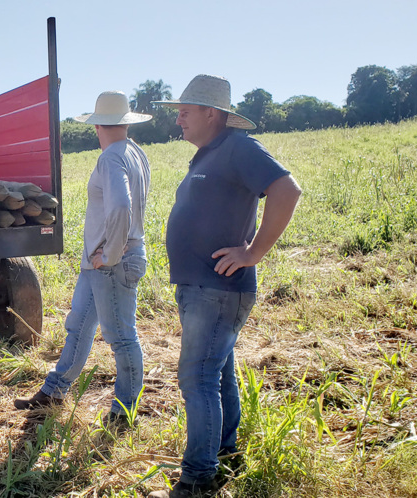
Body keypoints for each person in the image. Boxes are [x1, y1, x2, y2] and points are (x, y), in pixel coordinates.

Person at [148, 75, 302, 498]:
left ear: (211, 114)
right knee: (219, 374)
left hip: (217, 290)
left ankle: (198, 478)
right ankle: (227, 452)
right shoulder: (207, 154)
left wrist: (252, 252)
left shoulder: (238, 148)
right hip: (201, 289)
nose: (178, 120)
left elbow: (287, 191)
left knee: (197, 378)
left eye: (184, 112)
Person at [14, 91, 151, 425]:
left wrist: (112, 253)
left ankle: (124, 412)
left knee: (120, 337)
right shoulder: (136, 153)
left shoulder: (110, 158)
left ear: (97, 126)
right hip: (100, 263)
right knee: (77, 326)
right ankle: (54, 390)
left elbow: (121, 205)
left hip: (111, 263)